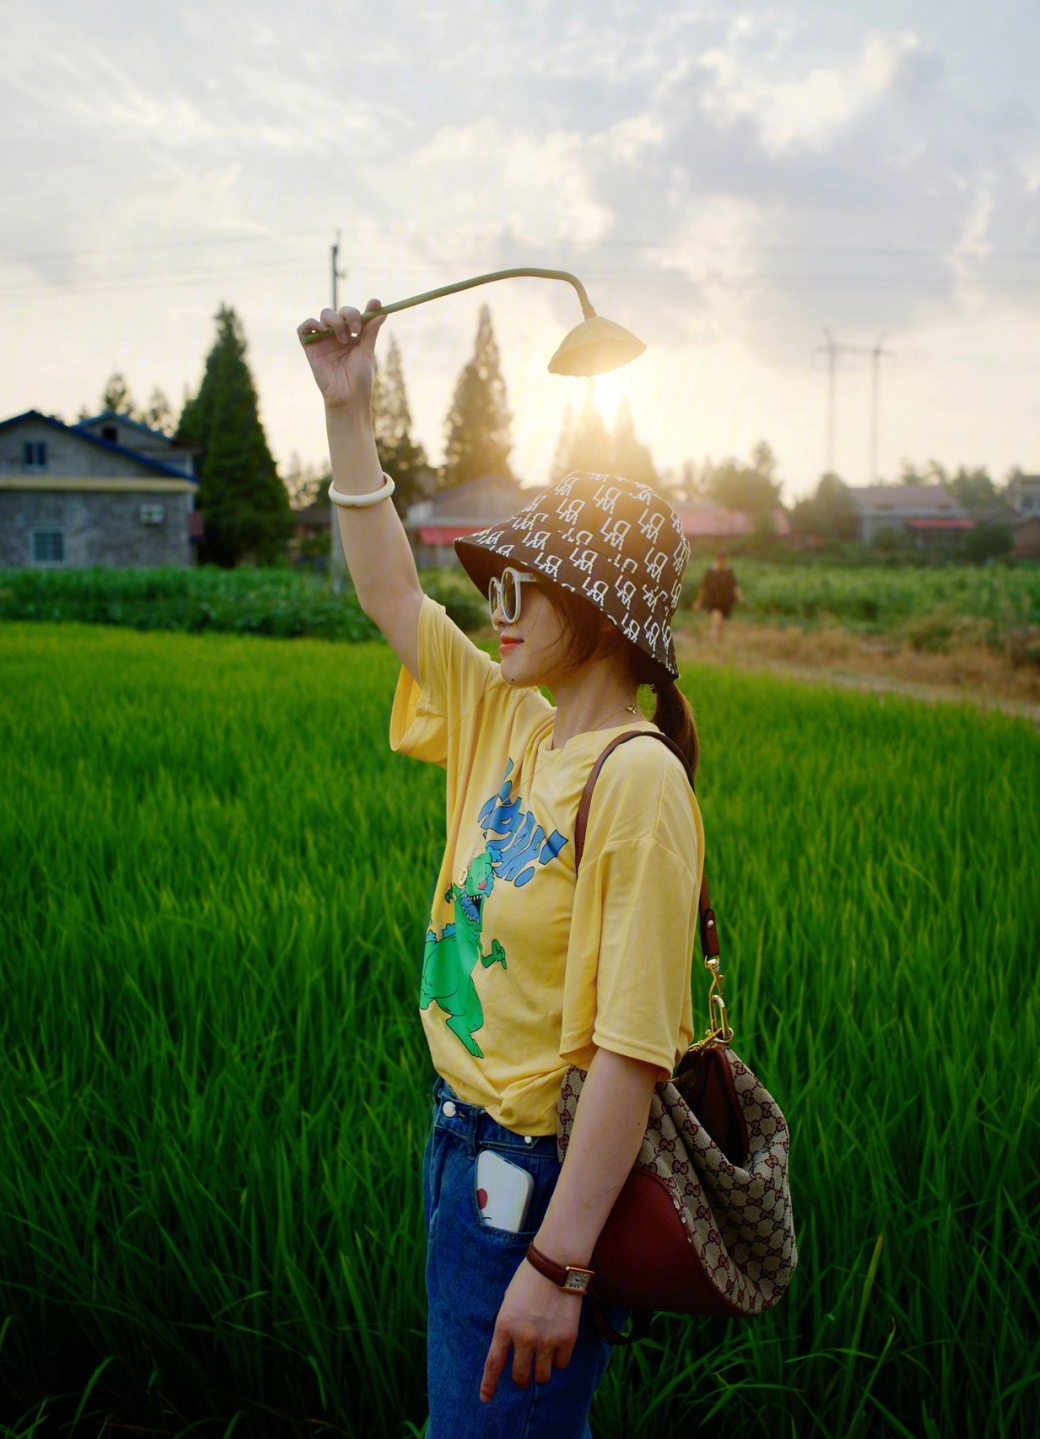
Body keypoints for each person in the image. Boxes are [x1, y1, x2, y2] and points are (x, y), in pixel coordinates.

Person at [297, 300, 704, 1439]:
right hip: (456, 1149)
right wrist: (347, 410)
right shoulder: (504, 715)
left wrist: (562, 1264)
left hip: (536, 1188)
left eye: (524, 584)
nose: (497, 603)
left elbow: (631, 1052)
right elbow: (390, 593)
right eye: (498, 581)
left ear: (600, 607)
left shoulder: (634, 783)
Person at [692, 550, 743, 643]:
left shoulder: (728, 572)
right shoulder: (710, 572)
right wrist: (698, 601)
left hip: (725, 601)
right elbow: (703, 587)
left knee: (721, 626)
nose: (724, 562)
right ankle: (715, 643)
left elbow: (735, 586)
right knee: (717, 621)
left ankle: (717, 643)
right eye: (723, 560)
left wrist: (740, 598)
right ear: (718, 559)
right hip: (713, 601)